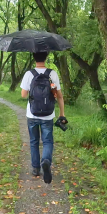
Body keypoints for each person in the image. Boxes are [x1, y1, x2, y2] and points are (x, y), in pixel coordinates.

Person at [20, 51, 67, 184]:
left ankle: (35, 168)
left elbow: (23, 95)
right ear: (46, 57)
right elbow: (59, 96)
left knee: (34, 141)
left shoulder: (29, 74)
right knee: (47, 141)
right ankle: (45, 160)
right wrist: (62, 114)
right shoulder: (52, 74)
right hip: (48, 115)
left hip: (32, 114)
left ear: (34, 57)